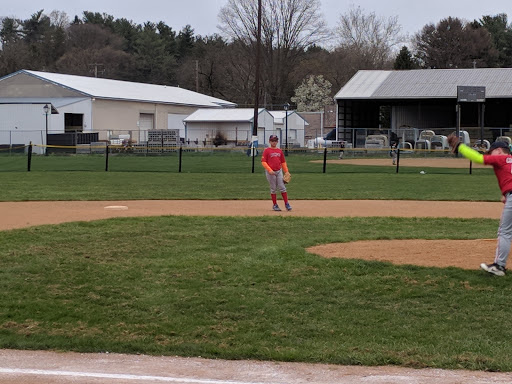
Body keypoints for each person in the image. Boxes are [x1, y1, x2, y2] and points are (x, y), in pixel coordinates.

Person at [448, 135, 512, 276]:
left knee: (505, 233)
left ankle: (499, 266)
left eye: (492, 152)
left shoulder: (501, 158)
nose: (491, 155)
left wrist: (460, 146)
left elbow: (478, 158)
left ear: (500, 150)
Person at [261, 135, 292, 211]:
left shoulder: (279, 151)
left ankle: (286, 204)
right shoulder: (267, 150)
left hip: (279, 171)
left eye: (275, 141)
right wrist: (269, 170)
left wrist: (286, 171)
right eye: (272, 141)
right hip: (270, 172)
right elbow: (263, 162)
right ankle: (275, 205)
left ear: (277, 142)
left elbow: (283, 162)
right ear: (269, 141)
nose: (274, 142)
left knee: (282, 187)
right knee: (273, 188)